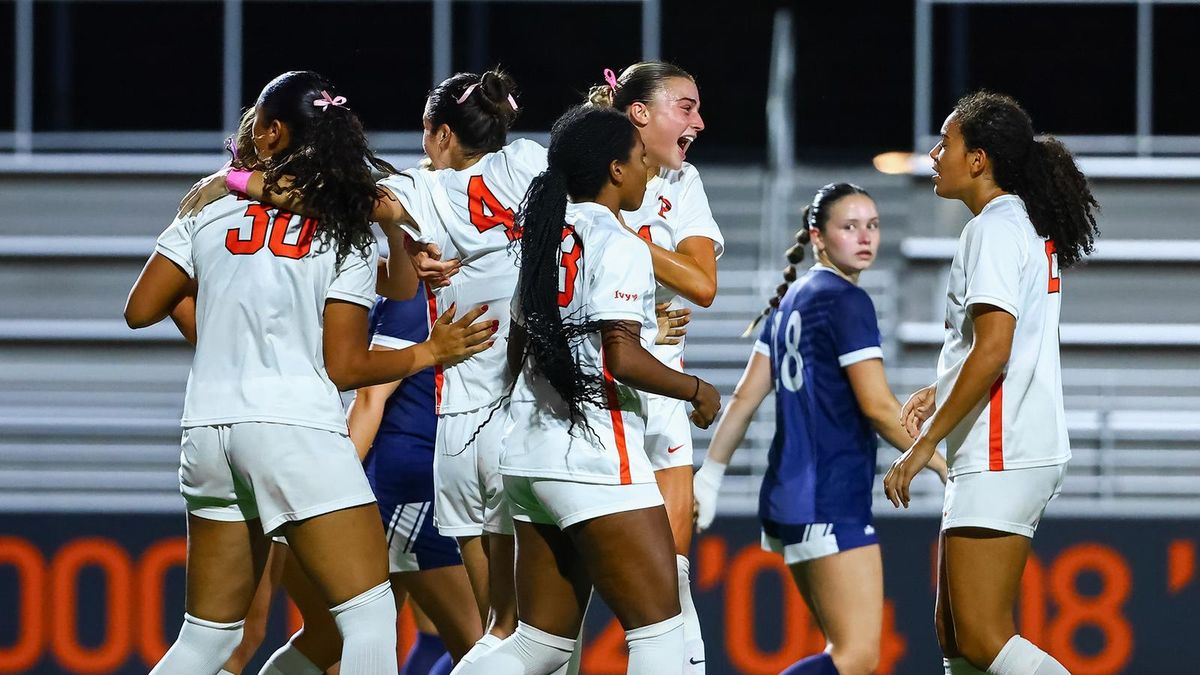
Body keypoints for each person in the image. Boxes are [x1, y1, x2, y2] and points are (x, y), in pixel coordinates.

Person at [125, 70, 493, 675]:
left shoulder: (212, 203)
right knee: (369, 621)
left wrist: (222, 335)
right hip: (296, 432)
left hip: (210, 431)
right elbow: (345, 366)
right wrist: (431, 353)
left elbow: (141, 308)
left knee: (207, 640)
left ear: (271, 133)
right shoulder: (344, 224)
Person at [459, 104, 720, 675]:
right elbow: (620, 356)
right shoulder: (620, 244)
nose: (648, 169)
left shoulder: (543, 238)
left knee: (539, 645)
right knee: (660, 636)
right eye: (638, 157)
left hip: (527, 456)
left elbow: (517, 347)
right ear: (615, 170)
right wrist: (696, 389)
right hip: (596, 459)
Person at [883, 91, 1100, 675]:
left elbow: (996, 349)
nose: (933, 154)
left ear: (978, 159)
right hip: (1005, 445)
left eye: (946, 143)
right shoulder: (1015, 222)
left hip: (1004, 450)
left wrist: (923, 444)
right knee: (954, 637)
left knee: (980, 638)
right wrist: (942, 387)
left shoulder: (996, 228)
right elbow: (994, 343)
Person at [691, 183, 946, 674]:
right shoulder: (845, 301)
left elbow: (745, 396)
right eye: (848, 226)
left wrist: (712, 474)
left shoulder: (794, 297)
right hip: (827, 494)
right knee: (856, 656)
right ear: (818, 236)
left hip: (788, 495)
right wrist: (938, 462)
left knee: (844, 651)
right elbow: (876, 405)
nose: (864, 236)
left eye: (872, 225)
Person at [587, 61, 719, 672]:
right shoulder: (579, 169)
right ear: (639, 112)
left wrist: (620, 234)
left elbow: (701, 284)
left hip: (659, 396)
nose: (698, 120)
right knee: (551, 624)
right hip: (589, 395)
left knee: (674, 591)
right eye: (685, 107)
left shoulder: (682, 182)